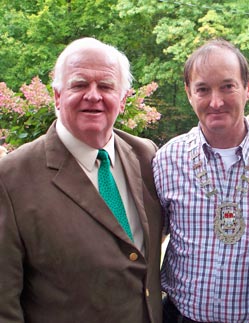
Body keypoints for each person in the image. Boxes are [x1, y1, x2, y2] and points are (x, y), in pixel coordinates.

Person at [0, 38, 164, 323]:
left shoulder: (146, 155)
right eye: (79, 84)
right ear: (57, 96)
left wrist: (246, 130)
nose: (93, 95)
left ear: (123, 99)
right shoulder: (11, 178)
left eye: (106, 86)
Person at [153, 39, 249, 323]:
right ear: (188, 93)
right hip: (181, 316)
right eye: (203, 89)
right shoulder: (166, 160)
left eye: (228, 86)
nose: (216, 101)